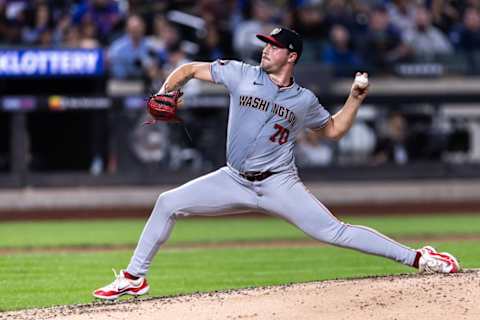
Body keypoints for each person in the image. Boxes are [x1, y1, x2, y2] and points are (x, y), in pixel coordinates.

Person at [93, 27, 460, 300]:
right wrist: (164, 92)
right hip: (234, 179)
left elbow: (332, 130)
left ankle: (418, 258)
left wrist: (354, 98)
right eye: (266, 44)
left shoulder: (304, 100)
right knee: (167, 202)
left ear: (292, 56)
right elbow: (189, 68)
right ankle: (134, 277)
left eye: (274, 46)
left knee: (333, 232)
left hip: (278, 183)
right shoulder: (242, 74)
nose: (266, 50)